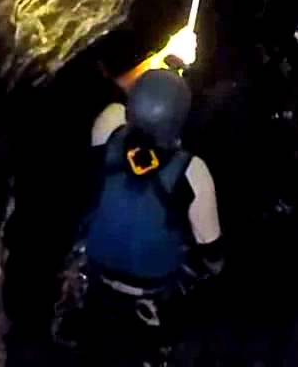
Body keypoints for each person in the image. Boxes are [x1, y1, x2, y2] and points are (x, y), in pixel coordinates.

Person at [74, 68, 224, 366]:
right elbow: (212, 253)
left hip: (97, 283)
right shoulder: (193, 173)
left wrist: (161, 74)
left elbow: (118, 97)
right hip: (151, 296)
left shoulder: (105, 131)